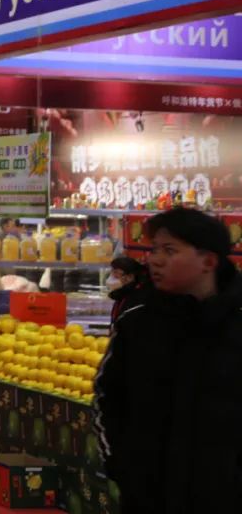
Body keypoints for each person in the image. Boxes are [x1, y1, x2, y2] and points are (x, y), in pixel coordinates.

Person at [94, 208, 242, 513]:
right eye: (154, 249)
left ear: (208, 261)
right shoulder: (137, 323)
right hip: (147, 497)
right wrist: (121, 466)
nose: (155, 260)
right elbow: (107, 398)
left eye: (170, 250)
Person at [106, 256, 148, 329]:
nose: (111, 277)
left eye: (115, 273)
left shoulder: (137, 301)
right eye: (111, 272)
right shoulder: (121, 295)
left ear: (130, 277)